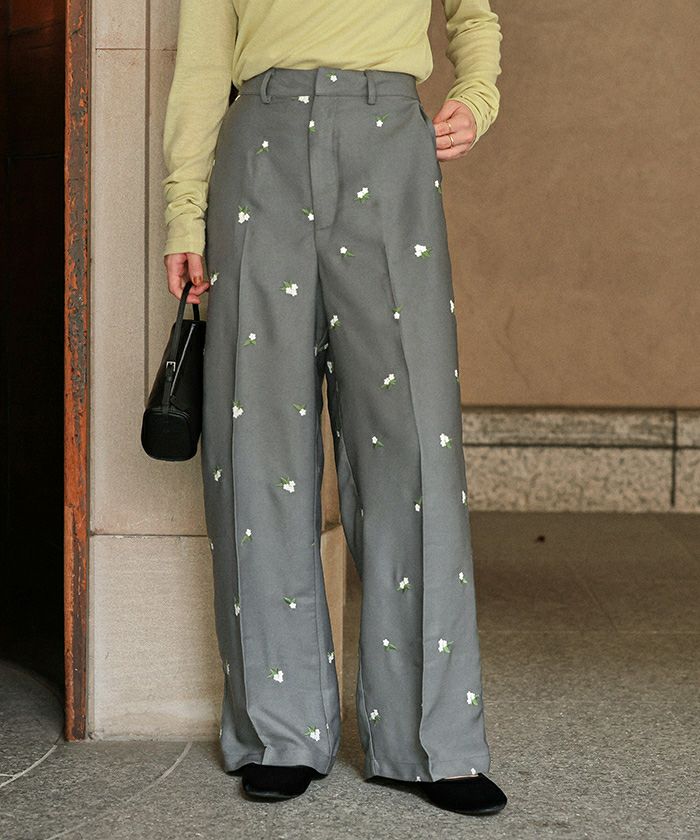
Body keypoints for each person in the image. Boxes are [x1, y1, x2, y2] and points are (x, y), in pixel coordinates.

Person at [161, 0, 507, 816]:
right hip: (261, 147)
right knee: (256, 443)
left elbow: (474, 15)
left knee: (413, 448)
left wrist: (478, 96)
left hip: (388, 144)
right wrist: (184, 210)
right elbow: (203, 63)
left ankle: (429, 742)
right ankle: (281, 733)